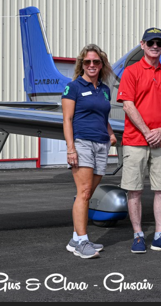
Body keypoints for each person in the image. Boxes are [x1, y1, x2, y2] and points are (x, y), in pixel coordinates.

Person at [117, 27, 161, 254]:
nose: (155, 47)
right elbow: (128, 104)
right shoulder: (132, 72)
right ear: (142, 44)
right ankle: (137, 235)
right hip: (136, 140)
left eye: (158, 43)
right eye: (150, 43)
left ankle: (159, 236)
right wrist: (148, 131)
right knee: (134, 190)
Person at [62, 43, 117, 259]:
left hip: (102, 144)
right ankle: (82, 242)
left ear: (101, 64)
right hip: (82, 142)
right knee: (84, 192)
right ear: (82, 64)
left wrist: (110, 133)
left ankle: (76, 238)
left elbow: (102, 117)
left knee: (87, 193)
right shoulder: (73, 87)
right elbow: (67, 120)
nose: (92, 65)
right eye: (87, 62)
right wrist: (70, 149)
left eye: (96, 61)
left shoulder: (103, 89)